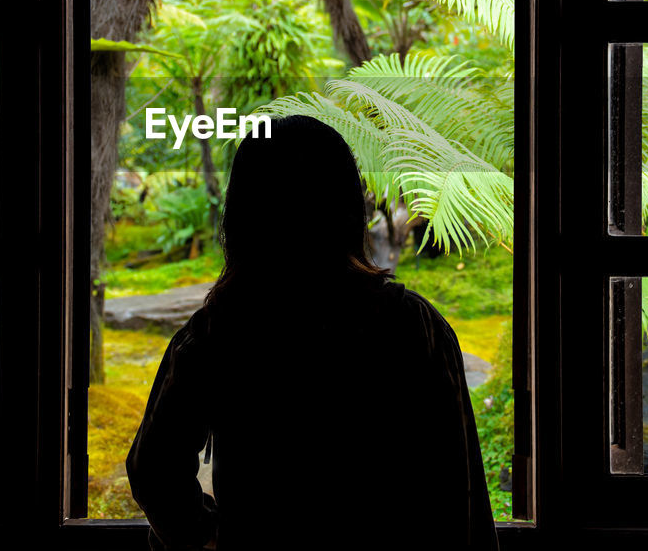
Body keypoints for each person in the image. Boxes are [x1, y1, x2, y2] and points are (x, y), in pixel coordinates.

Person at [126, 115, 499, 550]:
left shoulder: (220, 331)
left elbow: (152, 469)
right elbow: (460, 489)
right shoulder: (414, 326)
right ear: (347, 209)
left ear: (243, 217)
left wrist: (213, 536)